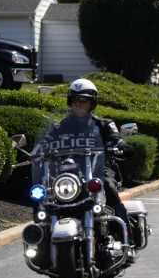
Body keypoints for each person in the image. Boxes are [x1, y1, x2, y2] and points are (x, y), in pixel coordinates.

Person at [33, 78, 133, 244]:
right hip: (67, 173)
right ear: (70, 102)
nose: (78, 104)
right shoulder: (59, 127)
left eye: (83, 101)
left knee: (107, 184)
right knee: (40, 193)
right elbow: (44, 144)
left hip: (98, 170)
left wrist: (121, 145)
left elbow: (116, 139)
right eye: (75, 101)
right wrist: (35, 153)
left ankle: (125, 236)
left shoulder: (104, 125)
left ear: (92, 103)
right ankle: (40, 237)